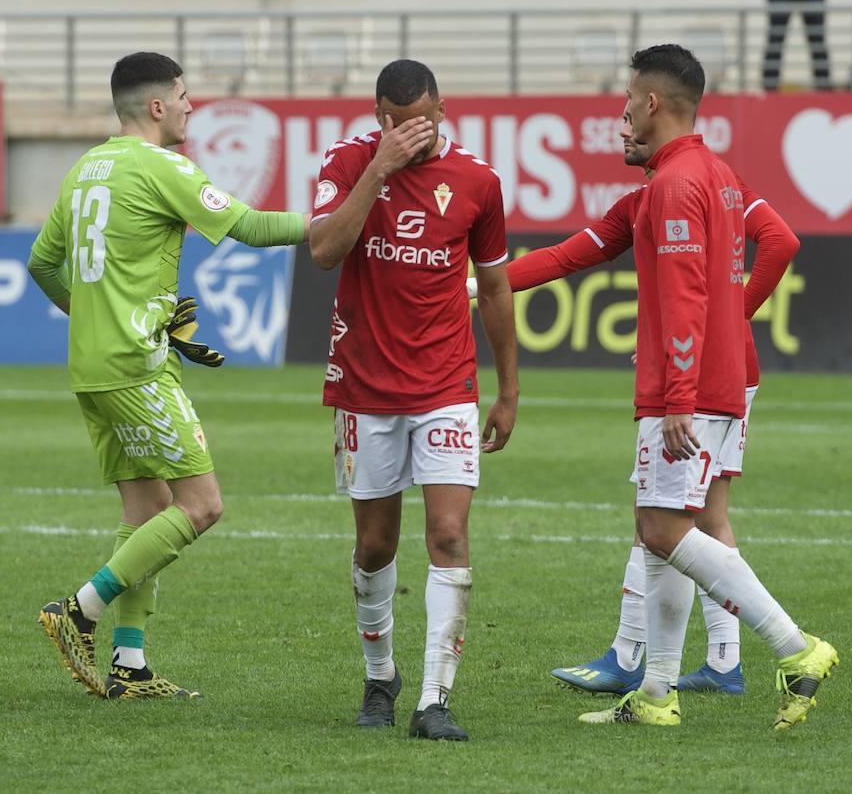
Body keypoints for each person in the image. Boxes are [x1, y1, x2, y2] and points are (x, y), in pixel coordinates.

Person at [466, 110, 800, 697]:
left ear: (652, 106)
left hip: (699, 375)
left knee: (662, 519)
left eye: (625, 111)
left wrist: (728, 318)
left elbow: (778, 242)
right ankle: (719, 664)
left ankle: (643, 655)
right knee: (699, 515)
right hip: (717, 368)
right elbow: (568, 255)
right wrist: (477, 285)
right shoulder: (693, 185)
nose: (618, 126)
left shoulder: (688, 184)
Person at [29, 52, 308, 699]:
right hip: (135, 368)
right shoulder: (161, 167)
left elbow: (42, 263)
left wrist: (92, 312)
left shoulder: (84, 169)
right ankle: (77, 610)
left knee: (147, 508)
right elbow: (252, 227)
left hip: (92, 368)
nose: (191, 106)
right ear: (157, 106)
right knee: (202, 505)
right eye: (184, 95)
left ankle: (129, 665)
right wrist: (334, 226)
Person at [576, 44, 836, 731]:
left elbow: (689, 294)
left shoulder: (673, 186)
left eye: (631, 98)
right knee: (666, 527)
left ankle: (795, 647)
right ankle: (658, 692)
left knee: (662, 526)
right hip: (715, 380)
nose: (624, 111)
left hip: (688, 387)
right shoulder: (715, 174)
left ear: (653, 103)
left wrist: (676, 396)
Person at [308, 59, 519, 742]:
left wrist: (508, 388)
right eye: (398, 124)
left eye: (423, 121)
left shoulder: (478, 182)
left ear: (443, 110)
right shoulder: (347, 163)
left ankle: (434, 701)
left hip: (446, 386)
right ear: (379, 117)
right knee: (374, 546)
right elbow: (322, 251)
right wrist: (380, 171)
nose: (412, 134)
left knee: (450, 535)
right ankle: (380, 679)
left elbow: (492, 289)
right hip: (364, 388)